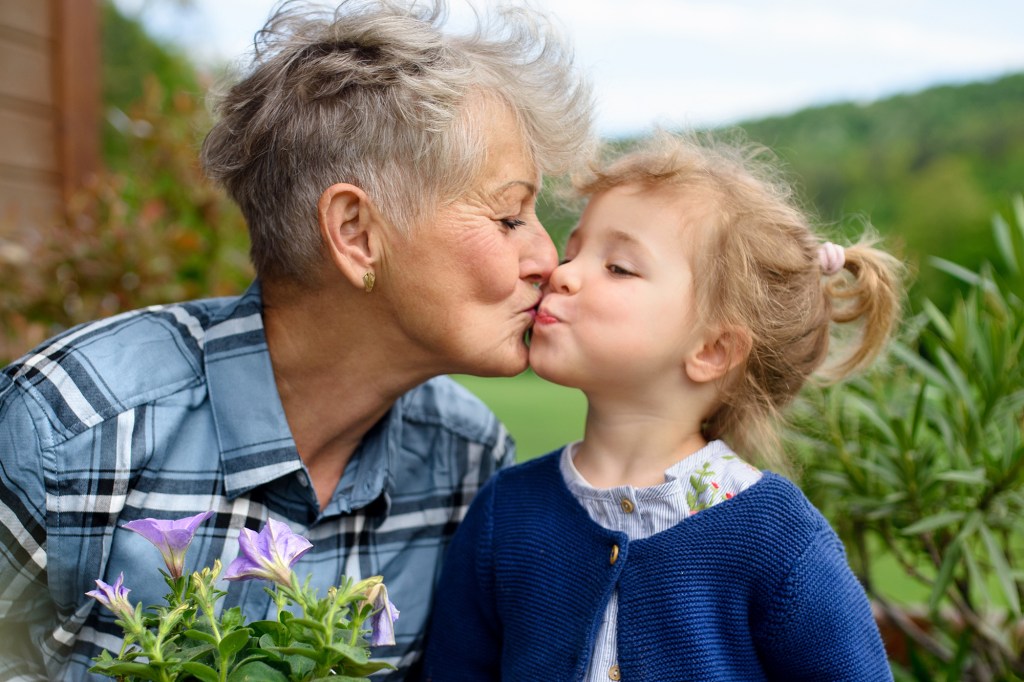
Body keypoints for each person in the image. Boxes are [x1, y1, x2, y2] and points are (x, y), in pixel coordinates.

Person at [0, 0, 594, 678]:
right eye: (511, 216)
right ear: (356, 232)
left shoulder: (464, 458)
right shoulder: (67, 430)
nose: (549, 260)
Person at [422, 131, 903, 681]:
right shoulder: (503, 516)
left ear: (712, 349)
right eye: (575, 249)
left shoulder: (778, 538)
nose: (562, 272)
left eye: (619, 267)